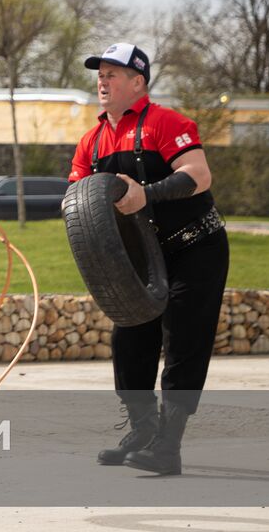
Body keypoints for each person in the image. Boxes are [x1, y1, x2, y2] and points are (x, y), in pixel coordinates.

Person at [69, 42, 229, 476]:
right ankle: (142, 429)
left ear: (138, 82)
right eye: (99, 74)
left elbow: (198, 176)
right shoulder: (92, 140)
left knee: (183, 341)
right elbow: (79, 197)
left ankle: (168, 446)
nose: (102, 81)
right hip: (141, 257)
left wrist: (147, 194)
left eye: (113, 74)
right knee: (129, 340)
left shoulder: (168, 123)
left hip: (196, 246)